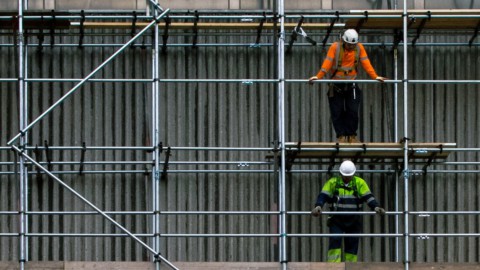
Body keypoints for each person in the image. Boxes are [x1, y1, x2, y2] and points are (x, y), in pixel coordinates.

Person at [308, 29, 387, 143]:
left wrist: (375, 76)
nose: (351, 47)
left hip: (351, 84)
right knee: (337, 111)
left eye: (353, 45)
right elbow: (327, 63)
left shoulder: (359, 48)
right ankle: (341, 136)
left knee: (353, 111)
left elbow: (366, 63)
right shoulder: (335, 47)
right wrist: (318, 76)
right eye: (349, 44)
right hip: (336, 84)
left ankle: (351, 136)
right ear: (344, 41)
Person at [311, 160, 385, 262]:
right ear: (340, 173)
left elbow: (368, 197)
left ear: (353, 174)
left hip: (353, 220)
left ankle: (351, 267)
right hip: (336, 220)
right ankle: (333, 267)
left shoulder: (359, 183)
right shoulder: (333, 182)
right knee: (335, 242)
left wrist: (376, 207)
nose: (346, 178)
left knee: (352, 244)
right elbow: (323, 195)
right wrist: (318, 206)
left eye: (349, 176)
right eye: (345, 176)